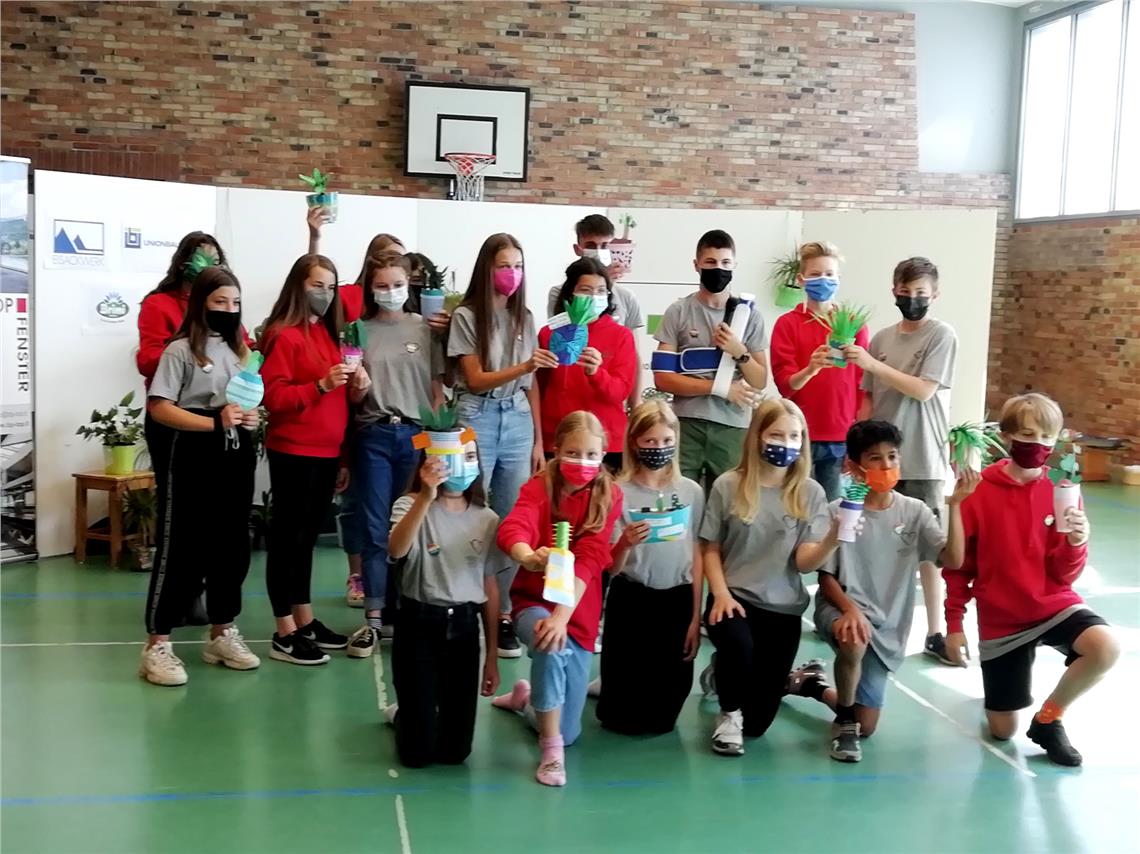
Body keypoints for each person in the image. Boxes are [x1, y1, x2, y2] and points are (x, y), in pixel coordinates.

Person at [942, 393, 1119, 767]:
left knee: (1105, 647)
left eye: (1046, 437)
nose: (1037, 444)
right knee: (1002, 730)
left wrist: (1077, 542)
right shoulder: (978, 491)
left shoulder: (1062, 489)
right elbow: (958, 568)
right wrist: (954, 624)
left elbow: (1064, 574)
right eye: (1027, 434)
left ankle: (1049, 719)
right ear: (1007, 436)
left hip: (1052, 604)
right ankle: (1001, 689)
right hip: (1003, 620)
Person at [785, 420, 977, 762]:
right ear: (853, 465)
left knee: (868, 724)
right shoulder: (837, 511)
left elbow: (953, 559)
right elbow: (826, 578)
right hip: (840, 608)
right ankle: (844, 722)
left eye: (892, 456)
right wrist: (850, 610)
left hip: (888, 624)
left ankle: (811, 684)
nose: (886, 465)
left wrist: (956, 505)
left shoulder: (914, 512)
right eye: (875, 458)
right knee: (854, 639)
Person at [140, 264, 259, 686]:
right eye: (220, 301)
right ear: (201, 304)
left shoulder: (240, 351)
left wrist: (249, 418)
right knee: (182, 547)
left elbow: (244, 400)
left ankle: (222, 632)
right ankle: (157, 643)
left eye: (235, 302)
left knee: (232, 546)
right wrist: (213, 423)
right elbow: (160, 407)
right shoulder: (179, 351)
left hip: (235, 453)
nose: (229, 309)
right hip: (192, 454)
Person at [699, 398, 837, 756]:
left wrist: (833, 538)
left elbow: (804, 564)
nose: (786, 443)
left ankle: (721, 673)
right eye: (776, 434)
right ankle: (728, 713)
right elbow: (710, 547)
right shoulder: (729, 485)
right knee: (739, 646)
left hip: (782, 607)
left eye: (794, 436)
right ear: (757, 436)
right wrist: (720, 594)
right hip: (734, 597)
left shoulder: (810, 493)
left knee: (758, 725)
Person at [491, 411, 622, 787]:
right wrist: (527, 556)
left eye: (591, 454)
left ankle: (526, 700)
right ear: (556, 449)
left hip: (577, 610)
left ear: (604, 454)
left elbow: (593, 558)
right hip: (533, 602)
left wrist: (563, 616)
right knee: (550, 643)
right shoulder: (539, 485)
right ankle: (551, 754)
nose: (582, 462)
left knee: (570, 731)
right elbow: (514, 525)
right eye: (573, 452)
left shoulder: (610, 495)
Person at [843, 257, 958, 665]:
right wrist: (854, 447)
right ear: (894, 291)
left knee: (928, 548)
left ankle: (935, 630)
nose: (913, 299)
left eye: (921, 293)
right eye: (906, 292)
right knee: (865, 535)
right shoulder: (881, 339)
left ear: (934, 294)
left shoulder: (941, 335)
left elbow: (924, 390)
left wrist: (872, 363)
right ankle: (857, 612)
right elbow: (868, 396)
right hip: (877, 459)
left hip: (922, 455)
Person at [448, 233, 558, 660]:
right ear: (487, 269)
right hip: (476, 414)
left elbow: (531, 385)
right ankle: (464, 600)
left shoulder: (524, 317)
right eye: (504, 266)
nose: (512, 273)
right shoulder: (467, 316)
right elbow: (475, 379)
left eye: (518, 266)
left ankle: (505, 612)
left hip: (516, 417)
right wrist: (525, 364)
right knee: (470, 507)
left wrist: (538, 440)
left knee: (514, 517)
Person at [261, 254, 364, 665]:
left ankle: (304, 618)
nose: (325, 293)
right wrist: (319, 385)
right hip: (292, 450)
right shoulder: (282, 335)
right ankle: (284, 629)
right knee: (287, 540)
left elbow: (341, 401)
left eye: (331, 286)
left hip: (326, 452)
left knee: (305, 542)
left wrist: (343, 456)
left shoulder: (328, 333)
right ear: (298, 286)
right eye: (317, 285)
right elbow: (274, 397)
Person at [345, 251, 446, 658]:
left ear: (410, 285)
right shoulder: (359, 330)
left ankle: (406, 610)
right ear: (370, 288)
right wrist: (358, 387)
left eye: (398, 284)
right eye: (382, 285)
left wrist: (437, 438)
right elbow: (353, 397)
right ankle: (373, 618)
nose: (391, 292)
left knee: (411, 522)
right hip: (374, 434)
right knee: (374, 527)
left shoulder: (427, 328)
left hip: (417, 436)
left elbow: (438, 388)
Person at [382, 442, 506, 768]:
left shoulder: (486, 518)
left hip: (464, 629)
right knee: (417, 754)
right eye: (449, 458)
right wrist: (426, 496)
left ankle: (420, 712)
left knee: (455, 753)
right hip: (418, 624)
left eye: (469, 457)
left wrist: (492, 657)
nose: (461, 465)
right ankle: (406, 714)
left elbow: (489, 587)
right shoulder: (409, 504)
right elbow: (396, 550)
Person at [136, 231, 235, 627]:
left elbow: (242, 352)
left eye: (214, 258)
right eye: (199, 258)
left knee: (216, 516)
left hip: (221, 421)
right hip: (174, 419)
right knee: (178, 514)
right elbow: (147, 360)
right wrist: (189, 347)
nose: (206, 264)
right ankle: (177, 597)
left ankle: (203, 593)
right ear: (182, 261)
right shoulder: (159, 304)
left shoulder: (225, 309)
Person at [596, 400, 704, 735]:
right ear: (634, 443)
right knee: (621, 715)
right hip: (632, 597)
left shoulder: (690, 491)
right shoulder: (618, 492)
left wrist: (695, 616)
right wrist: (625, 543)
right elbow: (612, 568)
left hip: (677, 597)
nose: (659, 448)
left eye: (666, 441)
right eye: (650, 441)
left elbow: (697, 553)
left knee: (664, 713)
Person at [653, 229, 768, 492]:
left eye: (726, 263)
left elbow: (760, 380)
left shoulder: (749, 316)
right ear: (697, 265)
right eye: (711, 262)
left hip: (732, 426)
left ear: (735, 265)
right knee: (680, 495)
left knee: (729, 500)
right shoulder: (678, 311)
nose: (719, 269)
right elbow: (662, 378)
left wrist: (739, 351)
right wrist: (720, 389)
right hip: (685, 423)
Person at [769, 241, 869, 500]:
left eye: (829, 274)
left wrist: (857, 440)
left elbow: (863, 385)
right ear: (801, 279)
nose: (823, 280)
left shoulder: (854, 325)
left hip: (841, 437)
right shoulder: (787, 324)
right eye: (815, 274)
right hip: (797, 435)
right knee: (795, 505)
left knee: (833, 509)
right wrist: (810, 369)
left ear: (838, 279)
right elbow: (785, 385)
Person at [538, 257, 637, 471]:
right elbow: (539, 390)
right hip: (557, 439)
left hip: (606, 443)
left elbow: (621, 391)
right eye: (586, 290)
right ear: (570, 293)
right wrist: (537, 440)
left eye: (601, 291)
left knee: (604, 493)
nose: (594, 297)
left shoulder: (621, 335)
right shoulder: (549, 334)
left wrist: (596, 373)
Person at [545, 214, 646, 411]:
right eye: (591, 245)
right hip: (570, 393)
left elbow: (634, 355)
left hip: (609, 394)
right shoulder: (560, 293)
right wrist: (595, 283)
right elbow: (560, 335)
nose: (599, 252)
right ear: (578, 248)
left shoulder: (627, 297)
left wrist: (636, 404)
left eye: (605, 245)